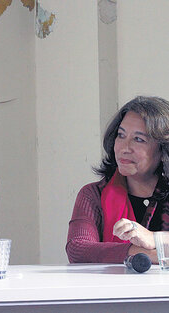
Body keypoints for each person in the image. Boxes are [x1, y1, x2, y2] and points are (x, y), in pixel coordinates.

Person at [66, 96, 169, 264]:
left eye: (138, 139)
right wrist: (147, 255)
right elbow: (78, 249)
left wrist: (154, 239)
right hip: (114, 291)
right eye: (121, 135)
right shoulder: (93, 194)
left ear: (163, 150)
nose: (124, 148)